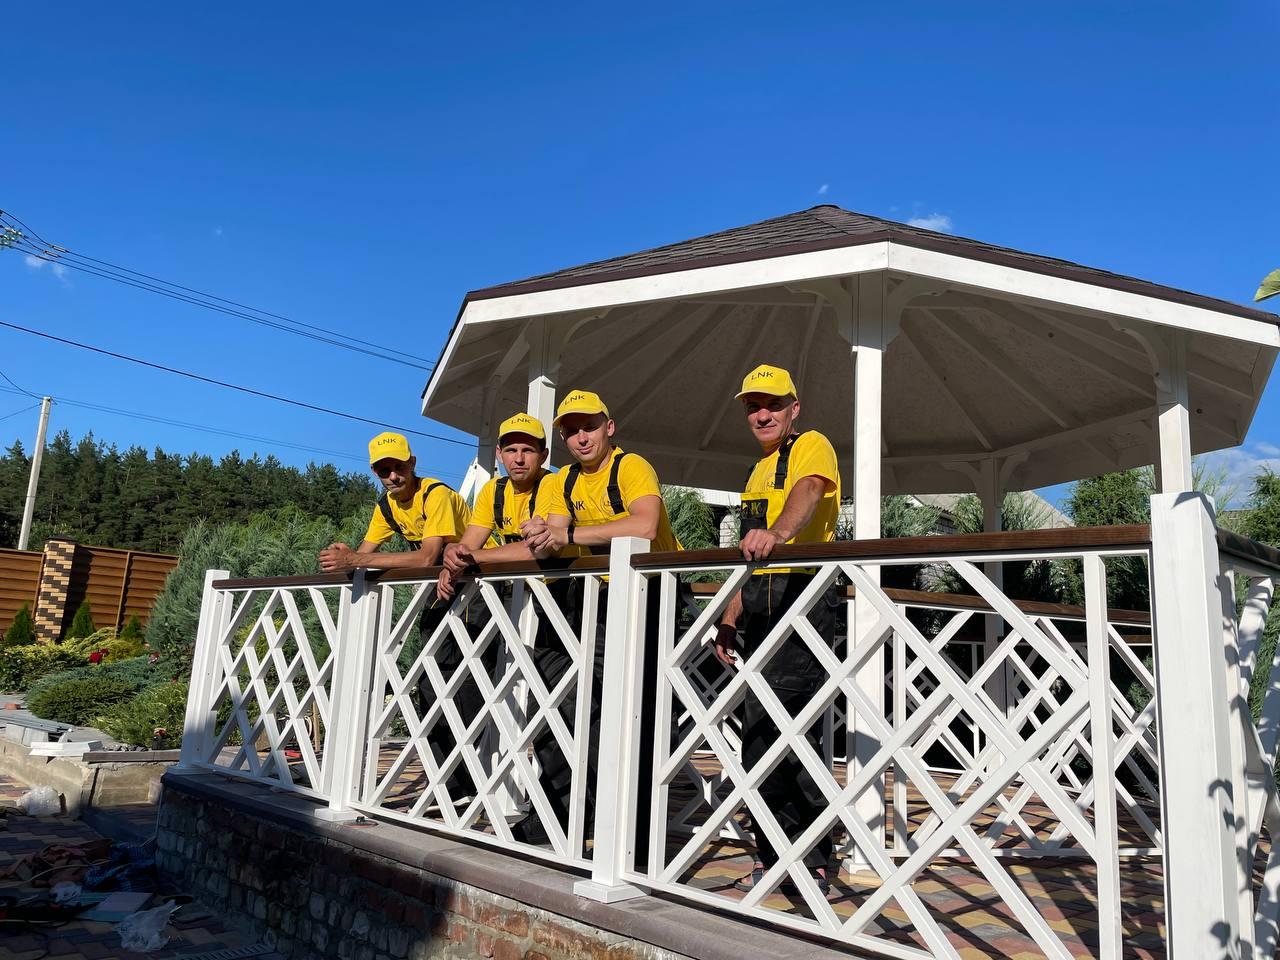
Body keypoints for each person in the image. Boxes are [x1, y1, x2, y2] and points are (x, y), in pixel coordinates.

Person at [520, 390, 680, 864]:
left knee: (642, 712)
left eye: (588, 425)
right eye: (570, 429)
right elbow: (553, 536)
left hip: (652, 596)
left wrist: (567, 534)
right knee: (566, 704)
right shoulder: (561, 481)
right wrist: (538, 534)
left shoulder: (632, 468)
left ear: (610, 427)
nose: (580, 436)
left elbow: (646, 525)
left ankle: (638, 833)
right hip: (591, 597)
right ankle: (563, 817)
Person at [711, 364, 842, 896]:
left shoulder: (811, 445)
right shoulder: (757, 469)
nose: (762, 414)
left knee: (795, 733)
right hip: (760, 607)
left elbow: (808, 492)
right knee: (759, 733)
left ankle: (809, 857)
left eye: (772, 404)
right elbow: (751, 555)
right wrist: (728, 619)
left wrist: (779, 533)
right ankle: (773, 853)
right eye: (752, 406)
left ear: (794, 407)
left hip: (803, 602)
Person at [318, 431, 477, 798]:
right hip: (443, 589)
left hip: (478, 586)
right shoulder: (387, 506)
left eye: (398, 467)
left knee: (463, 681)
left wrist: (356, 560)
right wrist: (345, 556)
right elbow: (364, 552)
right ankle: (449, 779)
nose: (392, 476)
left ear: (413, 464)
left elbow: (425, 557)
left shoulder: (435, 494)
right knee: (430, 680)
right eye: (383, 470)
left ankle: (467, 778)